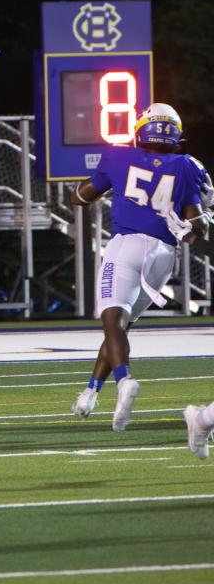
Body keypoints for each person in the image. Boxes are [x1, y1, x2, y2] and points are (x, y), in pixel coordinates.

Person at [69, 103, 208, 430]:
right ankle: (90, 392)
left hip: (127, 246)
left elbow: (82, 196)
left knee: (112, 321)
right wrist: (199, 222)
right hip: (164, 256)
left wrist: (81, 190)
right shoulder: (188, 166)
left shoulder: (118, 156)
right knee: (120, 325)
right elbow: (198, 227)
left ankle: (124, 380)